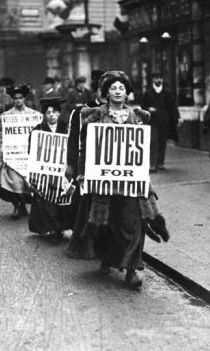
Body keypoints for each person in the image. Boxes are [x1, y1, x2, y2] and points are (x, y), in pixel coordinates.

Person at [77, 70, 169, 288]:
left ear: (127, 94)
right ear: (106, 93)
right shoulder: (95, 116)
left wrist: (144, 174)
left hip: (131, 182)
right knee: (109, 225)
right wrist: (82, 172)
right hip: (105, 183)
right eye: (113, 88)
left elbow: (141, 150)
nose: (118, 92)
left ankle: (131, 269)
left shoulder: (136, 117)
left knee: (134, 224)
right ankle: (108, 258)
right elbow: (85, 147)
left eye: (122, 89)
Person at [64, 69, 106, 260]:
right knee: (86, 205)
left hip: (110, 170)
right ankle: (87, 245)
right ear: (96, 91)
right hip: (87, 166)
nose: (106, 96)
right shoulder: (82, 112)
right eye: (102, 91)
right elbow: (73, 140)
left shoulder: (122, 111)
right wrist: (71, 165)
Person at [0, 84, 38, 219]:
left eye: (20, 98)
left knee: (27, 183)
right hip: (13, 156)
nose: (18, 101)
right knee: (13, 182)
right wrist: (2, 150)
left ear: (24, 99)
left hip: (27, 156)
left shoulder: (33, 115)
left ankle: (23, 204)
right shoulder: (6, 116)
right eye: (15, 98)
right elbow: (0, 135)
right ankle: (17, 205)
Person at [28, 97, 71, 243]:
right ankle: (52, 229)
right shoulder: (38, 130)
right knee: (46, 199)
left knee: (62, 199)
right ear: (44, 115)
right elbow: (31, 150)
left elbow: (71, 148)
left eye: (54, 112)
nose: (51, 115)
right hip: (44, 172)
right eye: (48, 113)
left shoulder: (66, 128)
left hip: (62, 171)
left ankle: (61, 227)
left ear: (59, 114)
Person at [140, 72, 179, 172]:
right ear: (153, 80)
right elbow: (143, 106)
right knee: (153, 141)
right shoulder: (148, 93)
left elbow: (173, 106)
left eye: (160, 78)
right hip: (152, 121)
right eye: (156, 78)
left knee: (162, 142)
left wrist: (178, 117)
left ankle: (160, 163)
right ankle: (152, 164)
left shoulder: (167, 92)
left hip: (164, 121)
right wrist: (148, 108)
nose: (159, 80)